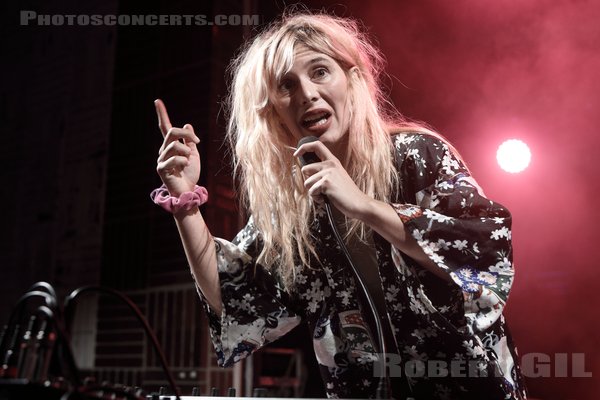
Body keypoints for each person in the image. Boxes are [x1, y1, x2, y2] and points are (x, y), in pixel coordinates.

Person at [151, 12, 527, 400]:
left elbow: (484, 252)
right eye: (286, 85)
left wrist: (364, 205)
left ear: (352, 78)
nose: (307, 94)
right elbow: (234, 299)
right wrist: (185, 204)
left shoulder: (418, 153)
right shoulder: (292, 207)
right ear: (274, 112)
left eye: (320, 71)